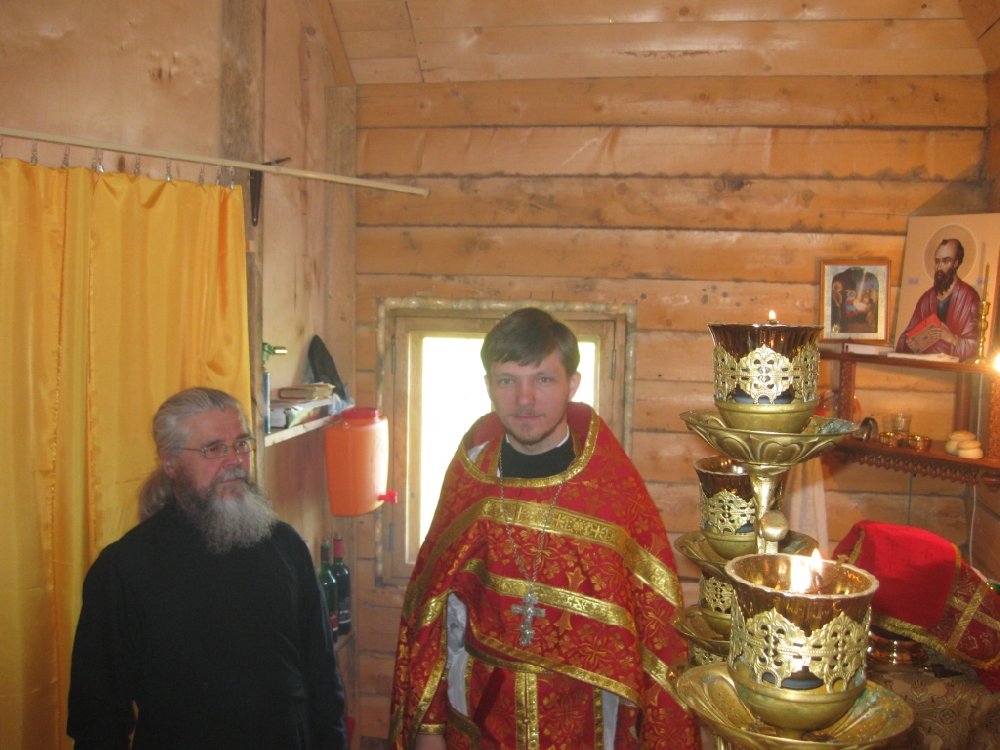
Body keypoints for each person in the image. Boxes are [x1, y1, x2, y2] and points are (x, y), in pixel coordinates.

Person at [388, 308, 698, 749]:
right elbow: (436, 617)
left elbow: (654, 627)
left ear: (573, 384)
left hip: (588, 722)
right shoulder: (471, 477)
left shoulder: (611, 488)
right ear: (488, 386)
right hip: (479, 717)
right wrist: (430, 731)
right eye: (507, 380)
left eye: (544, 379)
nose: (525, 399)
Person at [67, 387, 348, 750]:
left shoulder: (285, 545)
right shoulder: (124, 569)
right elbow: (98, 717)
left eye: (241, 444)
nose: (234, 460)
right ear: (170, 463)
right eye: (213, 449)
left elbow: (322, 678)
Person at [895, 238, 981, 360]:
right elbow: (905, 338)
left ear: (956, 263)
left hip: (952, 369)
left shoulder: (969, 297)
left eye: (946, 261)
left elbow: (974, 346)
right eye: (937, 261)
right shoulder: (926, 299)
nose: (939, 267)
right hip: (924, 366)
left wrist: (952, 339)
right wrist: (910, 344)